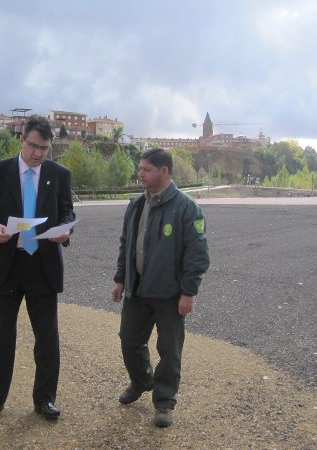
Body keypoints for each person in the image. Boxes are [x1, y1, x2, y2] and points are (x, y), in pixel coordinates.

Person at [0, 115, 75, 422]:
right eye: (33, 146)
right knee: (1, 336)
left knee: (47, 337)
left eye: (44, 148)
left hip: (43, 266)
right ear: (22, 139)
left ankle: (45, 399)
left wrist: (65, 231)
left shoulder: (60, 174)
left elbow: (67, 212)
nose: (37, 153)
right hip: (8, 264)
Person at [112, 148, 210, 428]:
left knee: (170, 351)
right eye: (140, 169)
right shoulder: (136, 206)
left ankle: (164, 402)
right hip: (137, 291)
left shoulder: (187, 207)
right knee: (129, 340)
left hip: (169, 296)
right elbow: (126, 245)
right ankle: (142, 380)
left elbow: (198, 255)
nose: (140, 173)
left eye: (146, 169)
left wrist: (188, 292)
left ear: (164, 171)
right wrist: (121, 279)